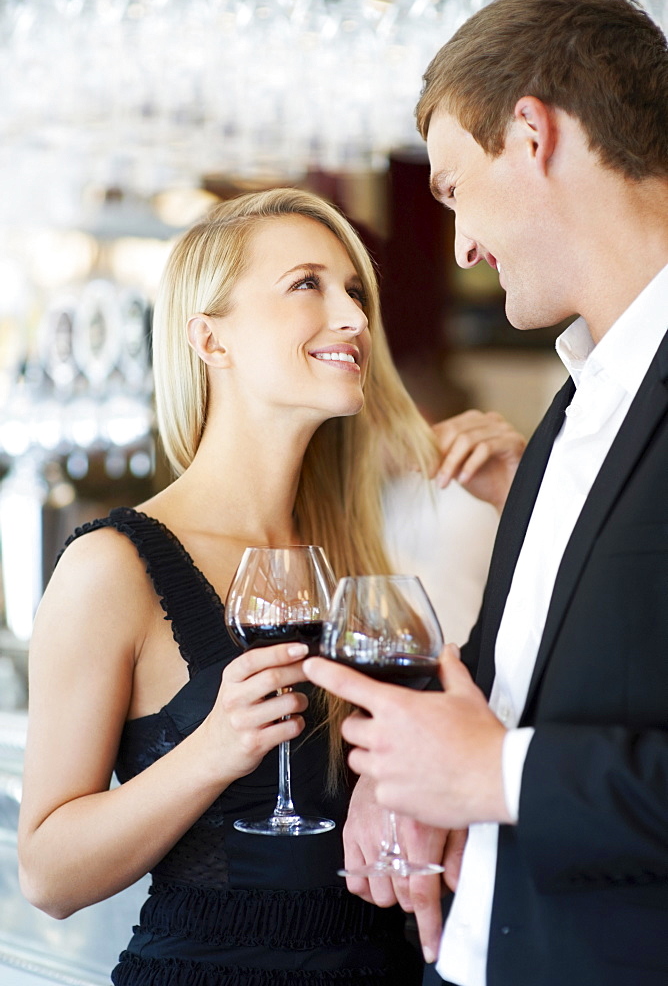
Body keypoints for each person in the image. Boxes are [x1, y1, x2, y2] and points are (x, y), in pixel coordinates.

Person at [17, 187, 522, 986]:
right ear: (209, 339)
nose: (354, 317)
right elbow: (48, 875)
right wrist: (210, 753)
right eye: (307, 285)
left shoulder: (349, 552)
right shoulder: (112, 566)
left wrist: (526, 496)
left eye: (355, 291)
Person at [304, 0, 668, 985]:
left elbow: (511, 753)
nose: (461, 246)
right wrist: (409, 779)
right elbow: (536, 670)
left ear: (531, 131)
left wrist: (493, 775)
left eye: (456, 188)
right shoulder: (574, 403)